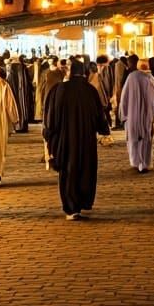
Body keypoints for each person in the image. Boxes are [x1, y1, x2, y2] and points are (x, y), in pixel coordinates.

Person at [43, 61, 111, 220]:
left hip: (65, 139)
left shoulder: (60, 90)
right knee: (85, 169)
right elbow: (99, 115)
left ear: (70, 72)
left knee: (68, 170)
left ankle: (71, 207)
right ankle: (81, 202)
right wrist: (103, 131)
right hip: (86, 138)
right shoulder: (90, 91)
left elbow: (51, 117)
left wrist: (49, 134)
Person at [119, 58, 154, 172]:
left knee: (134, 139)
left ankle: (136, 162)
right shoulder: (151, 79)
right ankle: (145, 163)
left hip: (132, 115)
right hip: (147, 115)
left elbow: (124, 97)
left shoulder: (131, 77)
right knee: (146, 139)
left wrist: (124, 114)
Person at [8, 57, 35, 133]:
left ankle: (17, 126)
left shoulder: (12, 71)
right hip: (22, 94)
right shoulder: (23, 70)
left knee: (16, 107)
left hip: (15, 93)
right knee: (22, 106)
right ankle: (22, 125)